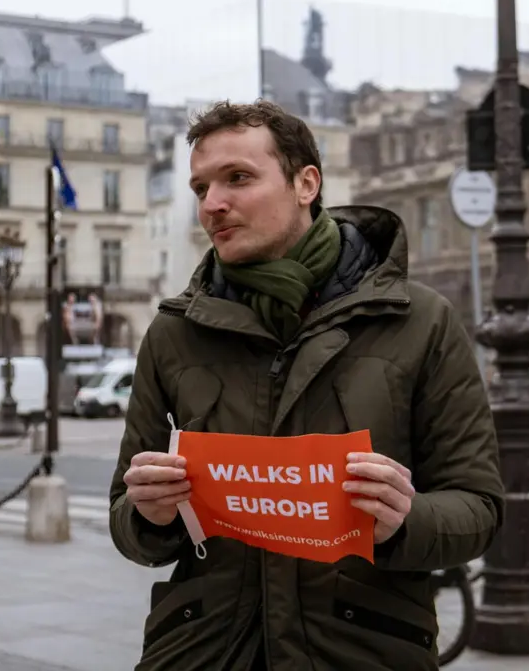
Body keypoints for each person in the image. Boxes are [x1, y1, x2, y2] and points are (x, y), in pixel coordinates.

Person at [109, 100, 504, 671]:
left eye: (238, 178)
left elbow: (480, 507)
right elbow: (126, 515)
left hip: (361, 650)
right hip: (204, 653)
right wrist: (148, 513)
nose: (213, 205)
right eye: (200, 188)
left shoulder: (419, 321)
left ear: (305, 183)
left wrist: (404, 519)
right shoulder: (175, 332)